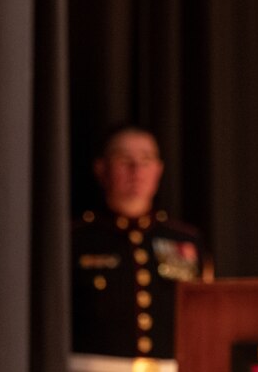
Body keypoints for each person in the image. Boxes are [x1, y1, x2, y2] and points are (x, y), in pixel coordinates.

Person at [71, 124, 212, 366]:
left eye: (146, 160)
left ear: (158, 170)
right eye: (124, 159)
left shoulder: (185, 240)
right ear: (102, 169)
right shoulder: (76, 239)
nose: (136, 170)